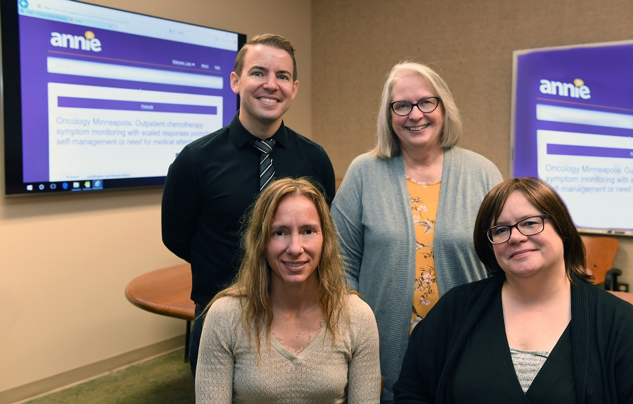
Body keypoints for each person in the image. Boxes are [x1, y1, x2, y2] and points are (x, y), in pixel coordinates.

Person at [161, 34, 336, 375]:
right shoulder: (195, 160)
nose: (271, 85)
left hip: (298, 315)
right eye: (258, 73)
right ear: (236, 81)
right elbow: (177, 236)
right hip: (221, 313)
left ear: (294, 87)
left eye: (282, 76)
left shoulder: (315, 160)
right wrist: (236, 270)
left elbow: (322, 234)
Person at [331, 61, 503, 402]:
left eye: (427, 102)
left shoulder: (483, 173)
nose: (415, 114)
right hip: (379, 350)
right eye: (402, 106)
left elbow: (502, 260)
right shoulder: (364, 172)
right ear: (389, 114)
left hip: (468, 344)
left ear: (443, 107)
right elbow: (339, 259)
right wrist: (353, 330)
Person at [394, 177, 633, 403]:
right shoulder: (455, 308)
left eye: (529, 223)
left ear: (562, 228)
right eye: (500, 230)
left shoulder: (619, 322)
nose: (516, 237)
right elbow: (413, 393)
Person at [195, 178, 381, 404]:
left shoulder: (358, 317)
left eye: (308, 231)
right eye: (280, 232)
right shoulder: (225, 316)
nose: (295, 248)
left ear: (326, 239)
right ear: (260, 241)